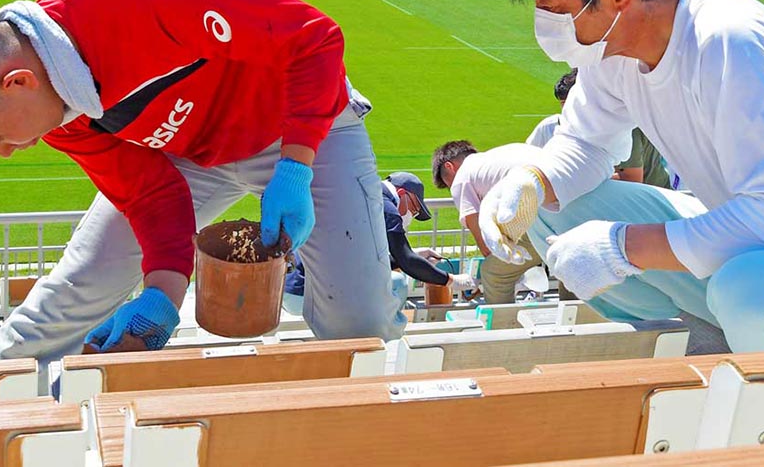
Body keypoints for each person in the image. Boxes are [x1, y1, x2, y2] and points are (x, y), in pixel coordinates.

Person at [0, 0, 406, 369]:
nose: (6, 152)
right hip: (193, 154)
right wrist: (164, 295)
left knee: (360, 322)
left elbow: (313, 41)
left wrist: (295, 165)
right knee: (76, 290)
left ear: (17, 82)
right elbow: (150, 193)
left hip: (301, 126)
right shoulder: (57, 113)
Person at [478, 0, 764, 352]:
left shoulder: (729, 42)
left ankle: (761, 408)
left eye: (555, 9)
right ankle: (701, 347)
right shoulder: (611, 52)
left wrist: (624, 247)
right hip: (746, 237)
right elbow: (585, 144)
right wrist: (533, 181)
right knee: (550, 210)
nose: (546, 26)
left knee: (747, 290)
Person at [283, 172, 475, 314]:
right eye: (415, 208)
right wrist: (451, 280)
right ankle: (386, 339)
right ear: (401, 193)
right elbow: (406, 260)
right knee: (396, 283)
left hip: (292, 289)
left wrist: (413, 255)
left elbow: (369, 259)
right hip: (313, 295)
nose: (412, 215)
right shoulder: (387, 207)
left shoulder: (367, 193)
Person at [432, 141, 544, 304]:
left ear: (450, 166)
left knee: (493, 273)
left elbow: (487, 244)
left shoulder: (461, 179)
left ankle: (504, 328)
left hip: (543, 214)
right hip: (569, 200)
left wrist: (479, 280)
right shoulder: (495, 157)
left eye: (448, 184)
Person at [528, 69, 671, 188]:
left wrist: (574, 180)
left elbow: (631, 178)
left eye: (571, 103)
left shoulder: (623, 124)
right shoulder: (553, 125)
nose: (567, 110)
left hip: (648, 200)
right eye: (562, 104)